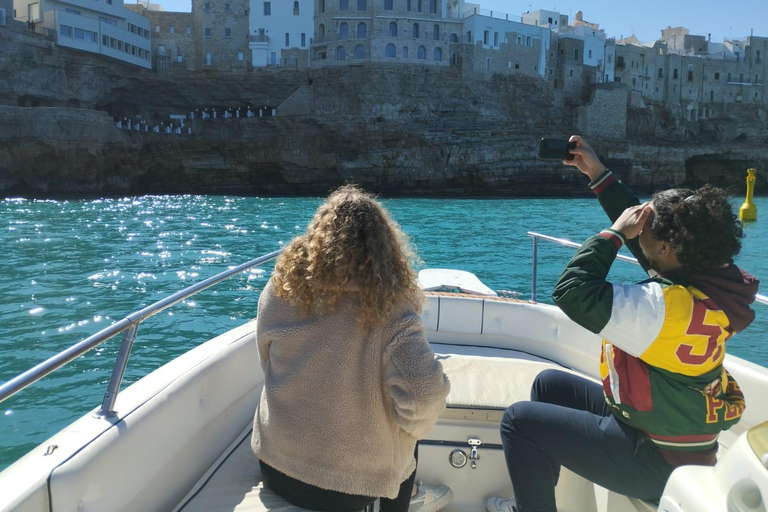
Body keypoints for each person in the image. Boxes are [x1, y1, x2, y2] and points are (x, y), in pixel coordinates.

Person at [487, 136, 759, 512]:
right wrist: (597, 173)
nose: (637, 224)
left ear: (665, 249)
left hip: (655, 459)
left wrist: (613, 233)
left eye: (645, 223)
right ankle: (536, 499)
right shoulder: (707, 281)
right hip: (672, 434)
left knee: (519, 422)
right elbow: (649, 241)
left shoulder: (660, 309)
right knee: (548, 385)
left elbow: (572, 291)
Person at [252, 185, 453, 512]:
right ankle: (406, 494)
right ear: (385, 246)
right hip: (351, 487)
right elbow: (425, 395)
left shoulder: (280, 289)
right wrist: (405, 431)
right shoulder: (391, 307)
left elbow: (266, 359)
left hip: (277, 467)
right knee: (408, 439)